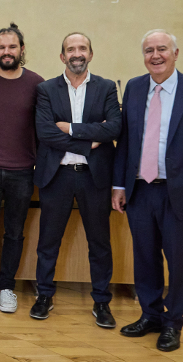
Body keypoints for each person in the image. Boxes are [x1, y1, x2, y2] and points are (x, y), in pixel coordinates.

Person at [113, 30, 183, 352]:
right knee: (145, 258)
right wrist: (119, 185)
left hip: (182, 196)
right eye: (149, 50)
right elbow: (126, 143)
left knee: (179, 261)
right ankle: (150, 314)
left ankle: (173, 322)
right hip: (141, 191)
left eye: (162, 49)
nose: (155, 55)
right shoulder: (133, 88)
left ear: (176, 53)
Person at [31, 33, 121, 327]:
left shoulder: (107, 88)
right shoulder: (45, 89)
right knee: (48, 241)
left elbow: (114, 129)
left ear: (91, 54)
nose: (77, 53)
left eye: (82, 48)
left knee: (99, 243)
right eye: (71, 49)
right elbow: (46, 133)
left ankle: (101, 301)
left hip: (94, 178)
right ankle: (44, 295)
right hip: (57, 176)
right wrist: (89, 139)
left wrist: (70, 128)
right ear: (62, 57)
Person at [0, 24, 43, 314]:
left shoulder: (38, 84)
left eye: (12, 47)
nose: (6, 52)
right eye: (1, 47)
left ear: (22, 49)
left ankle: (8, 287)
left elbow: (43, 129)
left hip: (23, 170)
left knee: (15, 232)